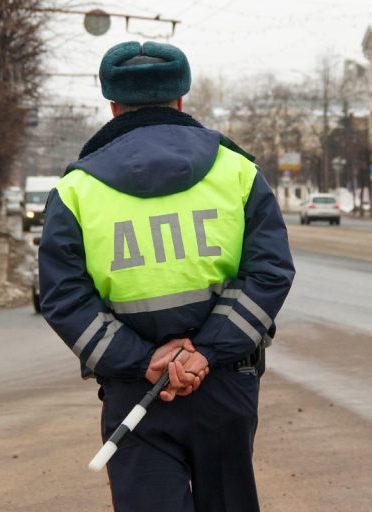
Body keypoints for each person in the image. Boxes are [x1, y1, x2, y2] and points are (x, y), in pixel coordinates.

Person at [38, 41, 294, 512]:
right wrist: (206, 352)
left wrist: (145, 361)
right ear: (180, 100)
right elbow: (270, 271)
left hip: (137, 394)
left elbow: (63, 297)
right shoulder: (236, 171)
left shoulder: (76, 190)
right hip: (224, 384)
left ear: (112, 106)